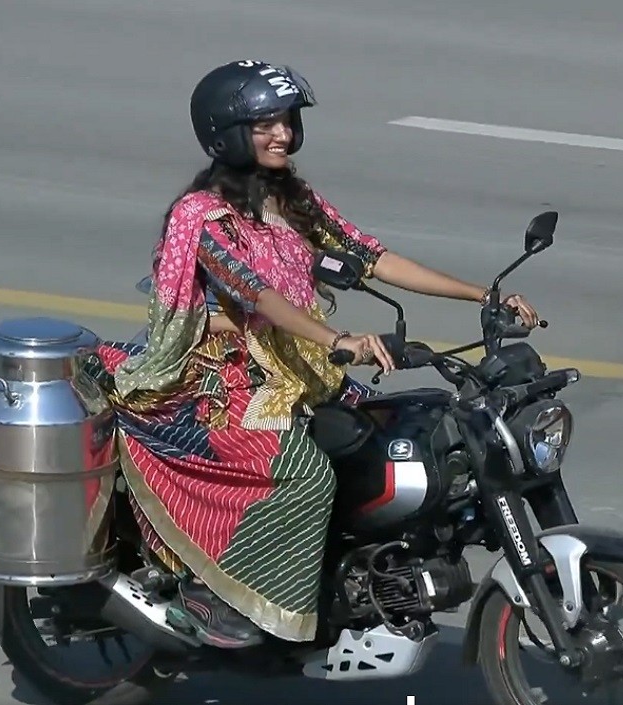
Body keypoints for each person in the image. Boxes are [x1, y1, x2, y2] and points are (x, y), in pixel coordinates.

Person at [80, 60, 539, 649]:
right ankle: (223, 599)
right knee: (304, 474)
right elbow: (259, 297)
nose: (283, 135)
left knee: (401, 438)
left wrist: (484, 292)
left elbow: (372, 257)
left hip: (301, 370)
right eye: (265, 124)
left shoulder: (290, 197)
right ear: (227, 133)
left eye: (287, 121)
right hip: (229, 381)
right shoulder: (203, 217)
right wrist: (336, 340)